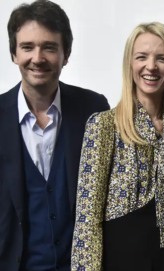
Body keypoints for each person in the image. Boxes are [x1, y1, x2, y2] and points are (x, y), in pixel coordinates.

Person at [71, 22, 164, 271]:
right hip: (123, 260)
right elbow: (87, 221)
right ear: (130, 64)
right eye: (142, 57)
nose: (151, 66)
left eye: (162, 58)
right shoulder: (104, 126)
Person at [0, 0, 110, 270]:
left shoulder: (94, 110)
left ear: (66, 54)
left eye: (49, 47)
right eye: (27, 47)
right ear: (14, 53)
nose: (37, 58)